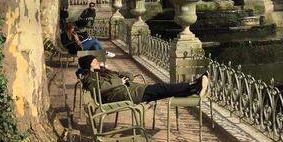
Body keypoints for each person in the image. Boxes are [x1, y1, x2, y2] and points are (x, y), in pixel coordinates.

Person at [77, 56, 208, 104]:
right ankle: (193, 85)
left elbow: (129, 74)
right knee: (162, 88)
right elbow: (100, 89)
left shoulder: (103, 72)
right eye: (95, 62)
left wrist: (122, 75)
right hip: (122, 95)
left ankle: (194, 88)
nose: (98, 63)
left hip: (129, 89)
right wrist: (120, 82)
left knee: (163, 92)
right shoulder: (89, 78)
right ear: (89, 66)